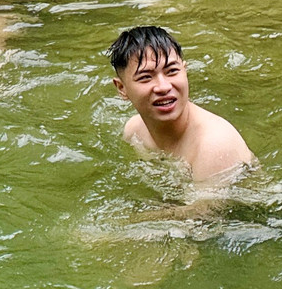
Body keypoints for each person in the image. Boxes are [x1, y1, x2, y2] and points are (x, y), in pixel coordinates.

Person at [107, 25, 255, 182]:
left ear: (185, 70)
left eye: (172, 71)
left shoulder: (214, 143)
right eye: (145, 77)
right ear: (122, 89)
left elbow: (206, 206)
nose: (164, 87)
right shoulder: (134, 132)